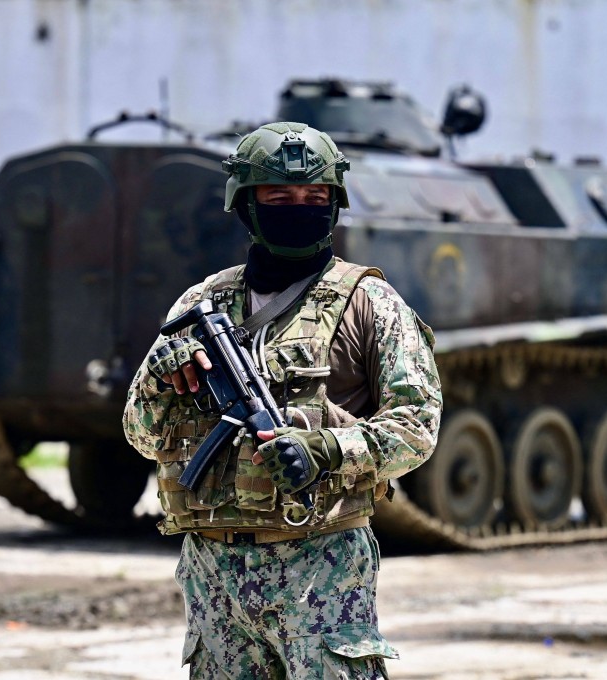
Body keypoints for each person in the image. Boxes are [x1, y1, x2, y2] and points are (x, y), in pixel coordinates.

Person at [123, 121, 442, 679]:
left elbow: (417, 427)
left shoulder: (370, 303)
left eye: (314, 197)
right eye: (279, 196)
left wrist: (324, 449)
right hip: (213, 570)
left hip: (320, 565)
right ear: (247, 205)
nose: (299, 207)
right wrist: (158, 373)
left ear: (334, 204)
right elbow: (140, 434)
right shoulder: (204, 302)